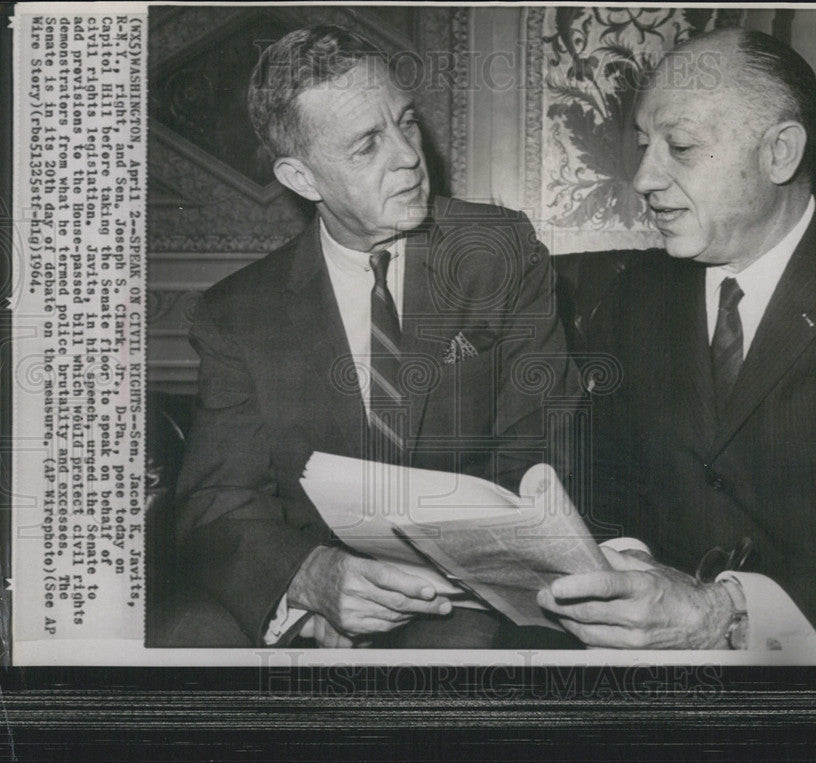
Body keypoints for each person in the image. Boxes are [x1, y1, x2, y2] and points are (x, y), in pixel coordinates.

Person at [163, 25, 580, 648]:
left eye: (405, 122)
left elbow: (544, 443)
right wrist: (309, 581)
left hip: (465, 591)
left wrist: (421, 584)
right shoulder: (237, 314)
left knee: (455, 651)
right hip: (319, 583)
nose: (409, 155)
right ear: (303, 180)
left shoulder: (498, 250)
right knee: (186, 639)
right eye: (366, 147)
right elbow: (218, 501)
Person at [538, 28, 816, 651]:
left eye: (681, 146)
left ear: (780, 152)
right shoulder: (632, 295)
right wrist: (625, 573)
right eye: (644, 146)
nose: (643, 177)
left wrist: (728, 610)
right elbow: (601, 478)